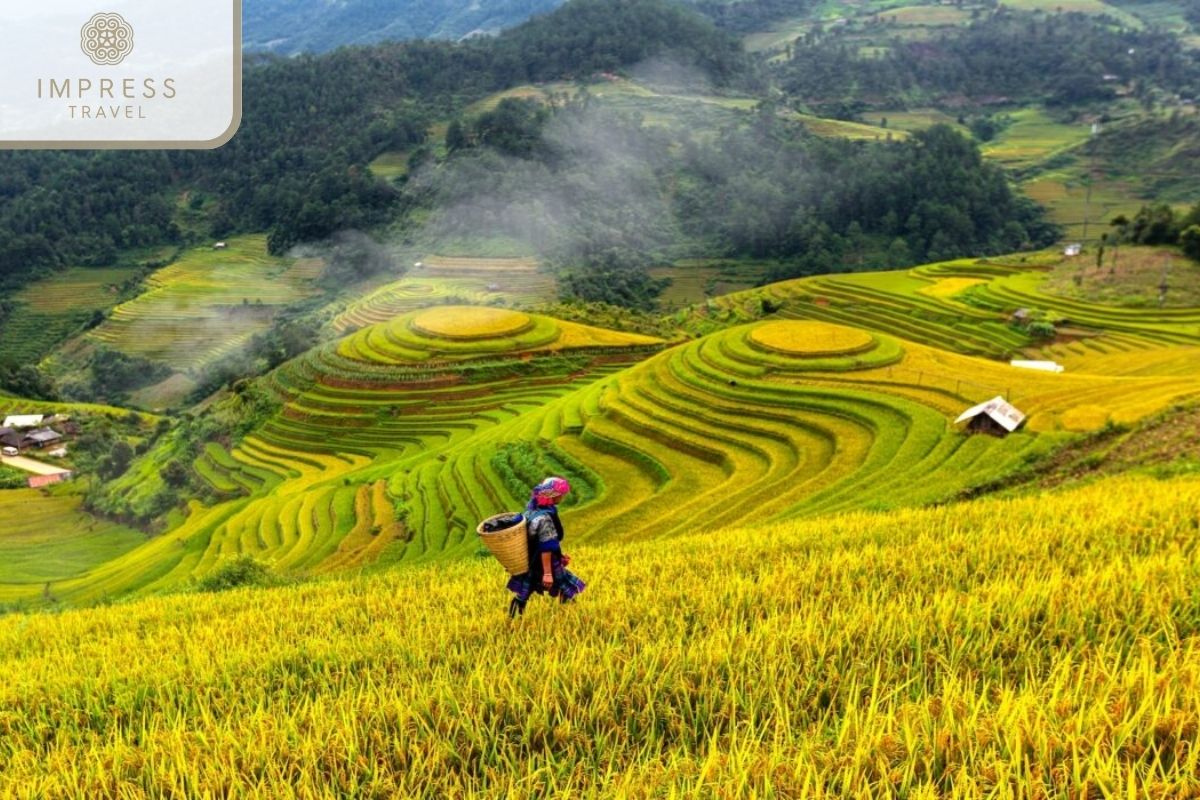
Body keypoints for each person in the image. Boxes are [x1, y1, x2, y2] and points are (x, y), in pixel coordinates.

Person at [507, 476, 586, 617]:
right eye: (561, 493)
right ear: (553, 495)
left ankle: (514, 617)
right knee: (562, 583)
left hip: (530, 559)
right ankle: (571, 614)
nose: (563, 496)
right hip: (544, 560)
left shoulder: (531, 511)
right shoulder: (545, 518)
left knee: (526, 588)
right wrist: (548, 573)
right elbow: (547, 546)